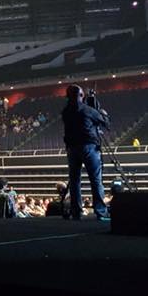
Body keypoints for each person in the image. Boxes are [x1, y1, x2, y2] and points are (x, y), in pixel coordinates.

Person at [61, 85, 110, 221]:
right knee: (95, 179)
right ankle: (100, 211)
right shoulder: (88, 110)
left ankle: (76, 212)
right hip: (89, 147)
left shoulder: (65, 112)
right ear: (81, 95)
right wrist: (101, 111)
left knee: (75, 181)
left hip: (72, 148)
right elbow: (106, 123)